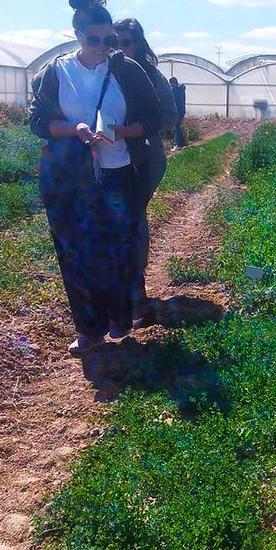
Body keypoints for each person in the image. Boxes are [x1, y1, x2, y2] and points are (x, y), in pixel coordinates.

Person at [29, 0, 160, 354]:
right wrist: (75, 130)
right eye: (95, 39)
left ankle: (119, 315)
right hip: (68, 174)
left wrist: (123, 130)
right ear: (77, 36)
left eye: (110, 39)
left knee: (116, 247)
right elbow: (38, 121)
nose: (104, 45)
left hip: (118, 172)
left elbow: (153, 118)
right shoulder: (55, 73)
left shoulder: (125, 69)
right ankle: (88, 329)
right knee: (74, 250)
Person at [114, 18, 177, 324]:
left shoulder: (148, 74)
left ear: (137, 44)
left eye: (125, 42)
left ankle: (136, 295)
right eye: (114, 41)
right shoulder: (105, 72)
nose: (119, 48)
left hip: (145, 158)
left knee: (133, 218)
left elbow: (169, 115)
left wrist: (135, 129)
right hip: (113, 158)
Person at [170, 76, 187, 148]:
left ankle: (178, 144)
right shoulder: (178, 89)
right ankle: (182, 143)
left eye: (171, 84)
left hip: (179, 111)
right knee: (177, 126)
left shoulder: (178, 90)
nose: (171, 86)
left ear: (175, 82)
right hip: (180, 110)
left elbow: (176, 101)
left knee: (176, 127)